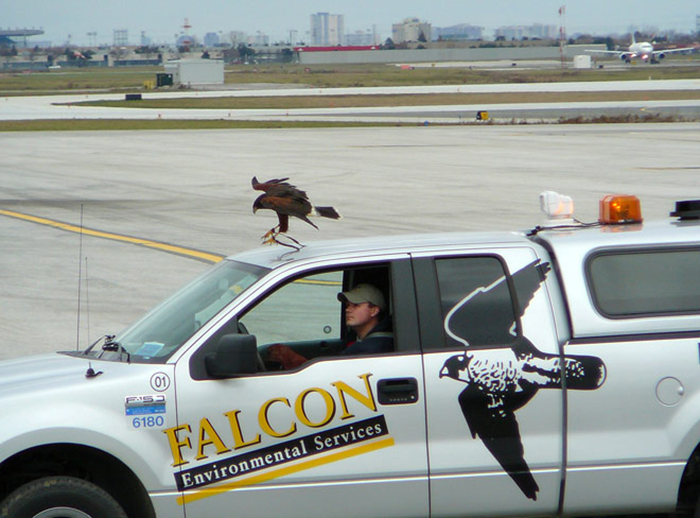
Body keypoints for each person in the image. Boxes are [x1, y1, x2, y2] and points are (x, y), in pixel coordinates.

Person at [267, 283, 393, 369]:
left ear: (374, 311)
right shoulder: (356, 339)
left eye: (356, 305)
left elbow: (326, 375)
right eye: (348, 305)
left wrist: (291, 358)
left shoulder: (372, 348)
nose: (348, 310)